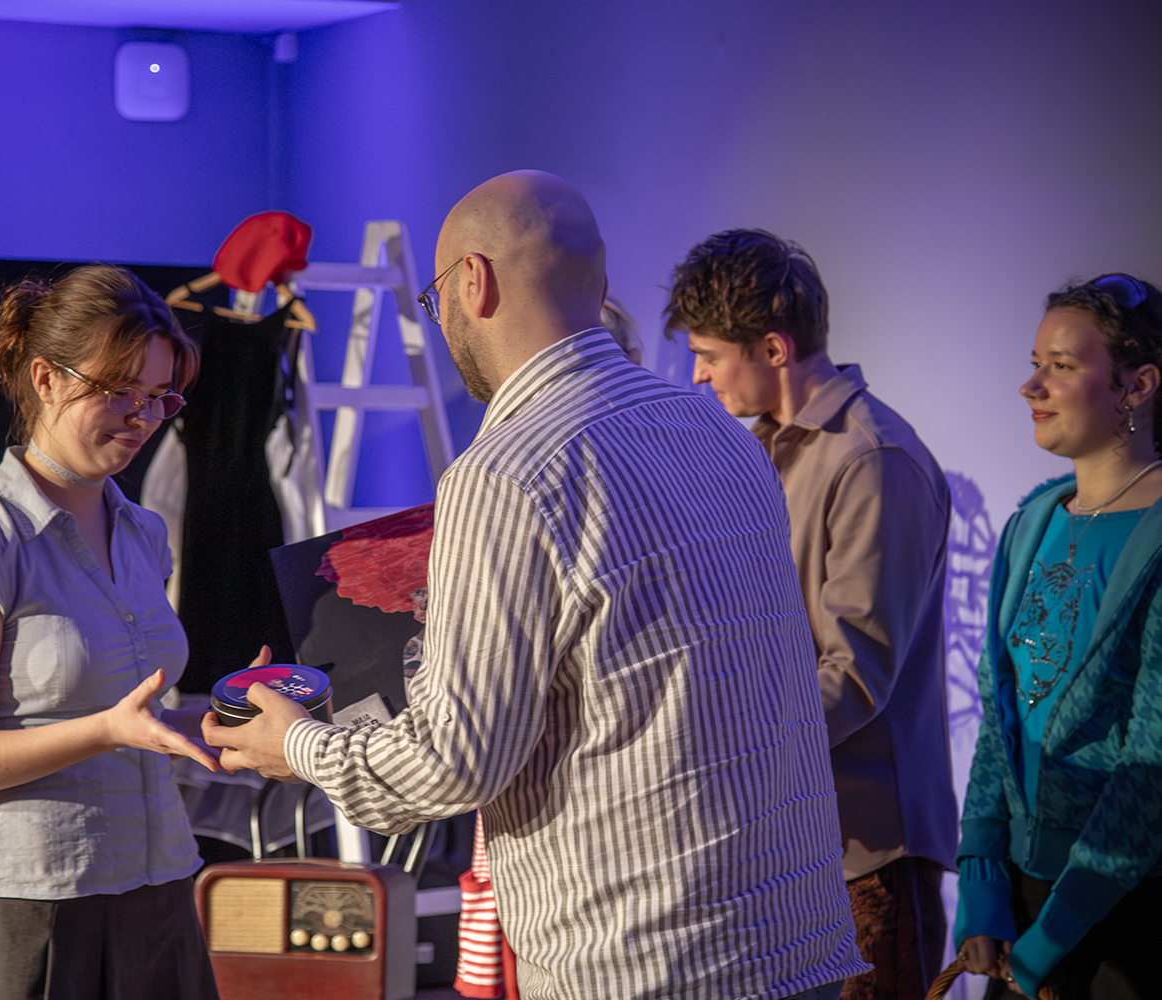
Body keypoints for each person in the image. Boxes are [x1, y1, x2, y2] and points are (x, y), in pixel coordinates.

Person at [205, 170, 869, 1000]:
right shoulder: (722, 434)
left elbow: (453, 761)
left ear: (473, 282)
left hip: (643, 964)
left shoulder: (505, 474)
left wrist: (297, 744)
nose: (442, 322)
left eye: (434, 300)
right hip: (791, 939)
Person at [0, 264, 245, 1000]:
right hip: (34, 903)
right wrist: (105, 731)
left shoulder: (145, 534)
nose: (142, 417)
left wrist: (215, 723)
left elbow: (133, 714)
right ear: (45, 379)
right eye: (119, 390)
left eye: (159, 396)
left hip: (160, 887)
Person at [665, 229, 958, 1000]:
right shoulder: (760, 452)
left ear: (772, 347)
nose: (697, 375)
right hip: (791, 838)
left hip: (869, 855)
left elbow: (855, 673)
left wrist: (728, 751)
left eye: (709, 355)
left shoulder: (873, 458)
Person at [953, 273, 1162, 1000]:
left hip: (1128, 915)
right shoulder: (1031, 523)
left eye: (1062, 366)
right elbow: (999, 716)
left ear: (1137, 386)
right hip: (1023, 902)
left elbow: (1151, 765)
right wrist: (982, 873)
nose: (1031, 386)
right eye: (1036, 363)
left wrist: (1057, 930)